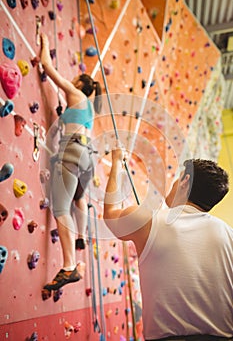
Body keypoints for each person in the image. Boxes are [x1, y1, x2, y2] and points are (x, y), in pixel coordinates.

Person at [103, 145, 233, 341]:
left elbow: (111, 216)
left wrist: (116, 164)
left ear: (185, 181)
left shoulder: (148, 220)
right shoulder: (229, 235)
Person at [40, 33, 102, 293]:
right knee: (79, 198)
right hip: (88, 155)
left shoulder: (75, 93)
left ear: (79, 84)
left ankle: (69, 266)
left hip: (73, 150)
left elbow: (48, 68)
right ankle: (80, 237)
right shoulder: (91, 109)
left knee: (60, 209)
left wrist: (44, 42)